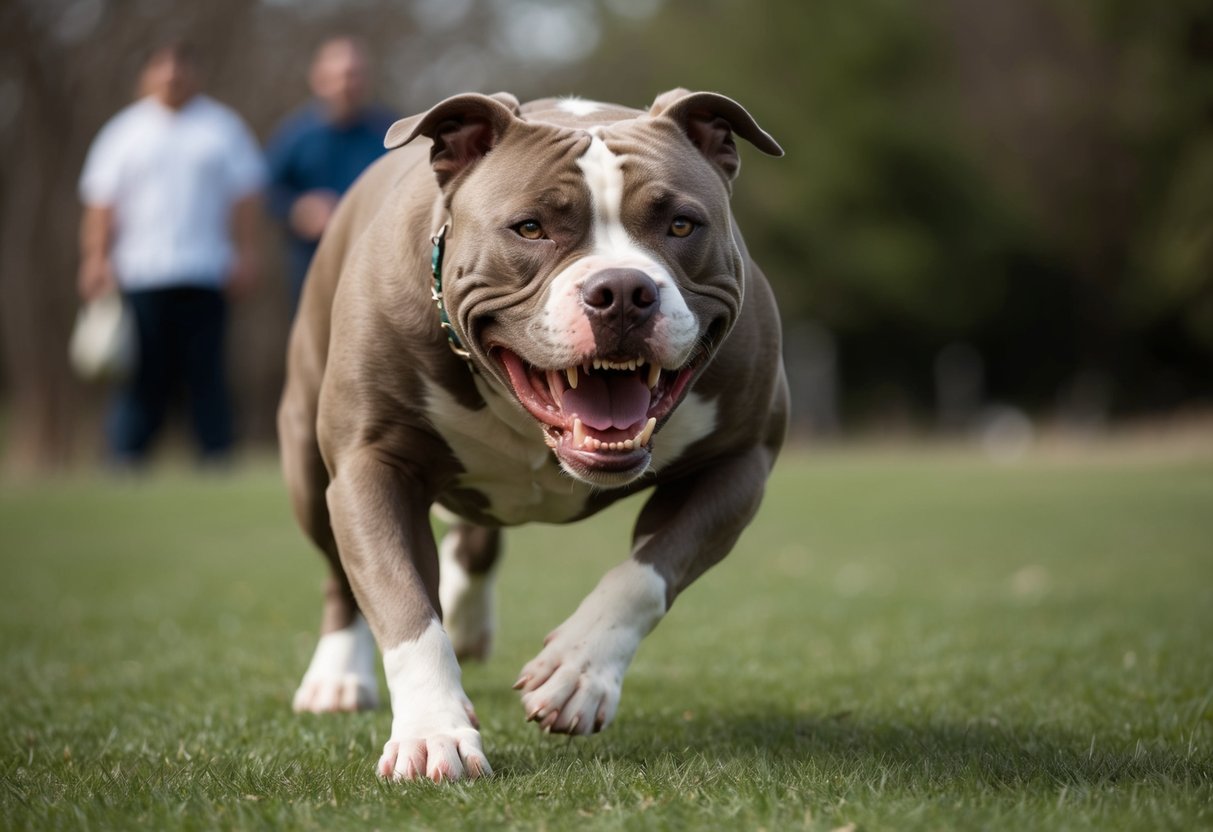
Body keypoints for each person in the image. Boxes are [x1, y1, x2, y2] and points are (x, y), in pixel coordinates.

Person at [77, 40, 266, 467]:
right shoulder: (123, 132)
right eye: (161, 67)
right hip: (140, 274)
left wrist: (245, 253)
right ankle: (127, 459)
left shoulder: (222, 128)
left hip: (206, 272)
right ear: (146, 76)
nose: (171, 75)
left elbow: (246, 198)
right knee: (142, 377)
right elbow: (101, 204)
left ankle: (216, 459)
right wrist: (95, 258)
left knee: (207, 374)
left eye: (180, 67)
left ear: (194, 73)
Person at [265, 36, 396, 309]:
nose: (346, 84)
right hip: (312, 269)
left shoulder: (391, 134)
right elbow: (269, 193)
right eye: (339, 76)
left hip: (377, 269)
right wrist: (297, 210)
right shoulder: (295, 135)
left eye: (354, 75)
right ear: (318, 79)